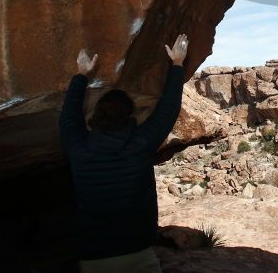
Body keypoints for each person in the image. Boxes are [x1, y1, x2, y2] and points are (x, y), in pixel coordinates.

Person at [59, 34, 189, 273]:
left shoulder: (80, 148)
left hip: (94, 257)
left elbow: (68, 117)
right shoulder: (140, 144)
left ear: (96, 115)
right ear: (130, 115)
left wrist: (81, 74)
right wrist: (178, 64)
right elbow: (167, 110)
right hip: (138, 253)